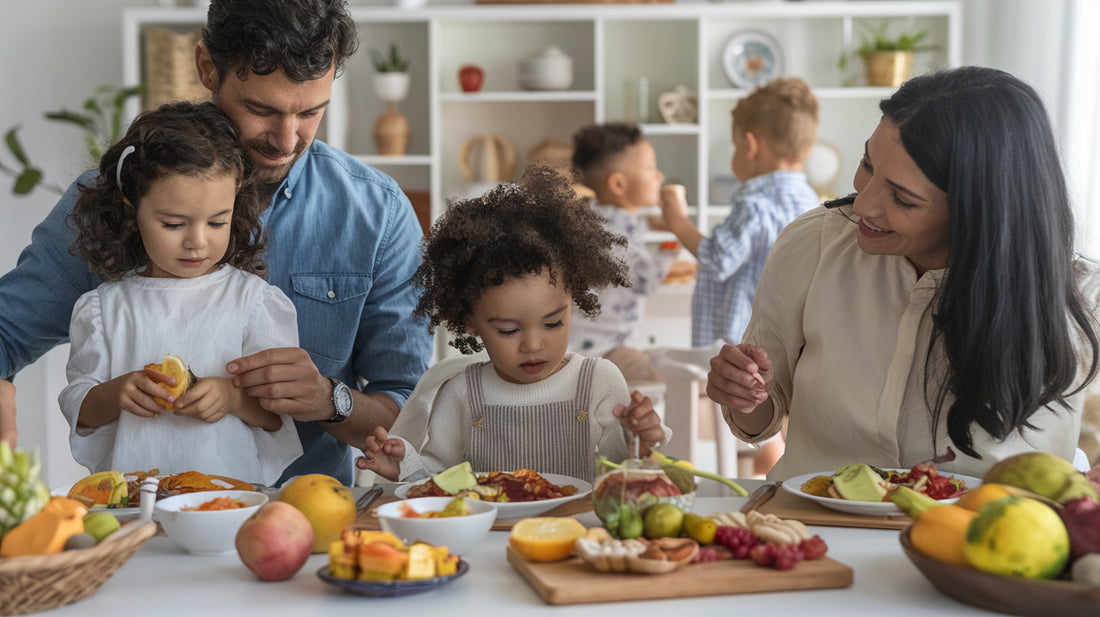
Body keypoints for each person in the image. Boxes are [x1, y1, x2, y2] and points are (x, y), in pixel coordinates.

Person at [0, 0, 432, 486]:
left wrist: (329, 401)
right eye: (261, 109)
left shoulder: (377, 213)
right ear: (207, 67)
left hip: (310, 519)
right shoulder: (111, 199)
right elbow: (6, 333)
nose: (287, 140)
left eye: (311, 112)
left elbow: (413, 419)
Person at [705, 66, 1100, 481]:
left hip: (983, 540)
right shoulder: (815, 244)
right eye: (867, 165)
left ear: (979, 212)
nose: (863, 205)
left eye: (903, 198)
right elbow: (758, 418)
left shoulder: (1081, 297)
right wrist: (745, 396)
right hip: (816, 533)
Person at [356, 167, 672, 483]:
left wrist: (636, 436)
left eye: (553, 323)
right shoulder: (463, 393)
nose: (533, 345)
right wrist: (405, 468)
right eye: (509, 330)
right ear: (470, 322)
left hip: (579, 532)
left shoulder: (598, 381)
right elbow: (440, 482)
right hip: (489, 533)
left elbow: (616, 467)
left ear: (572, 302)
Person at [59, 101, 302, 484]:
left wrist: (234, 399)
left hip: (229, 504)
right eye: (174, 223)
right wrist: (115, 393)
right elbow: (80, 409)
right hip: (135, 506)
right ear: (131, 207)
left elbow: (277, 418)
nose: (198, 242)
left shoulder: (254, 303)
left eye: (217, 221)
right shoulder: (105, 309)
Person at [660, 77, 819, 349]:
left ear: (751, 146)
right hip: (785, 336)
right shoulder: (811, 200)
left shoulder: (754, 205)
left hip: (742, 340)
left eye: (735, 145)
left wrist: (679, 222)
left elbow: (717, 258)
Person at [567, 122, 677, 384]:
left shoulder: (590, 218)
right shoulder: (618, 226)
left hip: (577, 346)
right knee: (668, 378)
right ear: (618, 183)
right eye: (650, 168)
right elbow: (645, 280)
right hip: (605, 351)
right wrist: (672, 243)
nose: (659, 176)